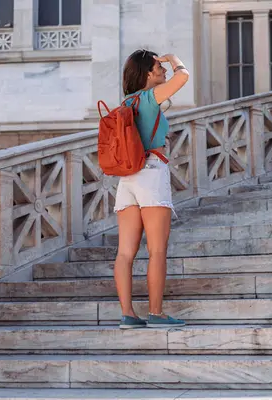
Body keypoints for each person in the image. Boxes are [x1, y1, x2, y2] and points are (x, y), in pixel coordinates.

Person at [113, 49, 189, 329]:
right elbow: (184, 76)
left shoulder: (127, 102)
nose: (164, 70)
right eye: (159, 66)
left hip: (127, 180)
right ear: (147, 73)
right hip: (151, 173)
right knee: (157, 250)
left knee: (124, 253)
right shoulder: (148, 98)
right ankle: (156, 313)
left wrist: (163, 62)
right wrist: (174, 58)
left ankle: (128, 314)